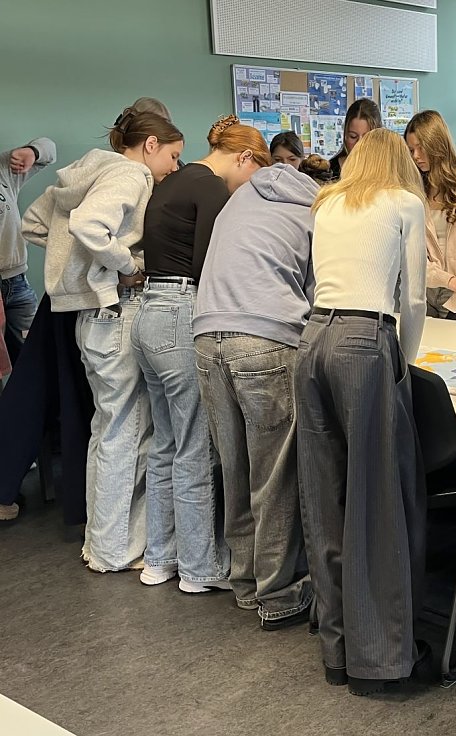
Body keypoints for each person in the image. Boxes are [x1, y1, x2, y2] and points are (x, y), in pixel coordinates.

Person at [295, 127, 428, 696]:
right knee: (374, 504)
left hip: (313, 340)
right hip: (363, 340)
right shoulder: (404, 203)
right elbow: (415, 299)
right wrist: (405, 361)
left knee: (323, 497)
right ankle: (380, 658)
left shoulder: (326, 203)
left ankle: (337, 648)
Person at [22, 109, 184, 571]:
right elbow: (89, 226)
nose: (173, 167)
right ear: (150, 144)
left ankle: (102, 543)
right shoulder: (130, 173)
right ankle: (118, 550)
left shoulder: (86, 171)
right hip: (116, 312)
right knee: (129, 434)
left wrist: (76, 270)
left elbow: (35, 224)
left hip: (89, 318)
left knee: (108, 431)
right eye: (172, 155)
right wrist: (125, 266)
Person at [131, 116, 269, 593]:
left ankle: (159, 559)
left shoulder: (173, 180)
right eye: (254, 172)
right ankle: (198, 567)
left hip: (148, 312)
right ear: (243, 157)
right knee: (194, 446)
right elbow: (209, 265)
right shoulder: (210, 187)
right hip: (179, 313)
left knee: (166, 444)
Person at [194, 161, 317, 625]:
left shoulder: (239, 199)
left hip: (207, 333)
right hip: (265, 338)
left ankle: (245, 583)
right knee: (275, 474)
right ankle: (280, 594)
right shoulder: (313, 214)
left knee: (236, 467)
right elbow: (314, 292)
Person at [405, 110, 456, 322]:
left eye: (421, 148)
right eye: (411, 149)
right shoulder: (414, 192)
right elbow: (414, 255)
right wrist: (447, 279)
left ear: (436, 144)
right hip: (428, 291)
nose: (416, 156)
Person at [0, 136, 57, 364]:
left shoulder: (3, 169)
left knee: (34, 356)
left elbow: (49, 149)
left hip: (16, 282)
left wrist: (31, 151)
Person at [327, 98, 382, 181]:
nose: (359, 144)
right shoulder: (330, 170)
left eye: (367, 137)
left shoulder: (388, 169)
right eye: (353, 136)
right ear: (345, 135)